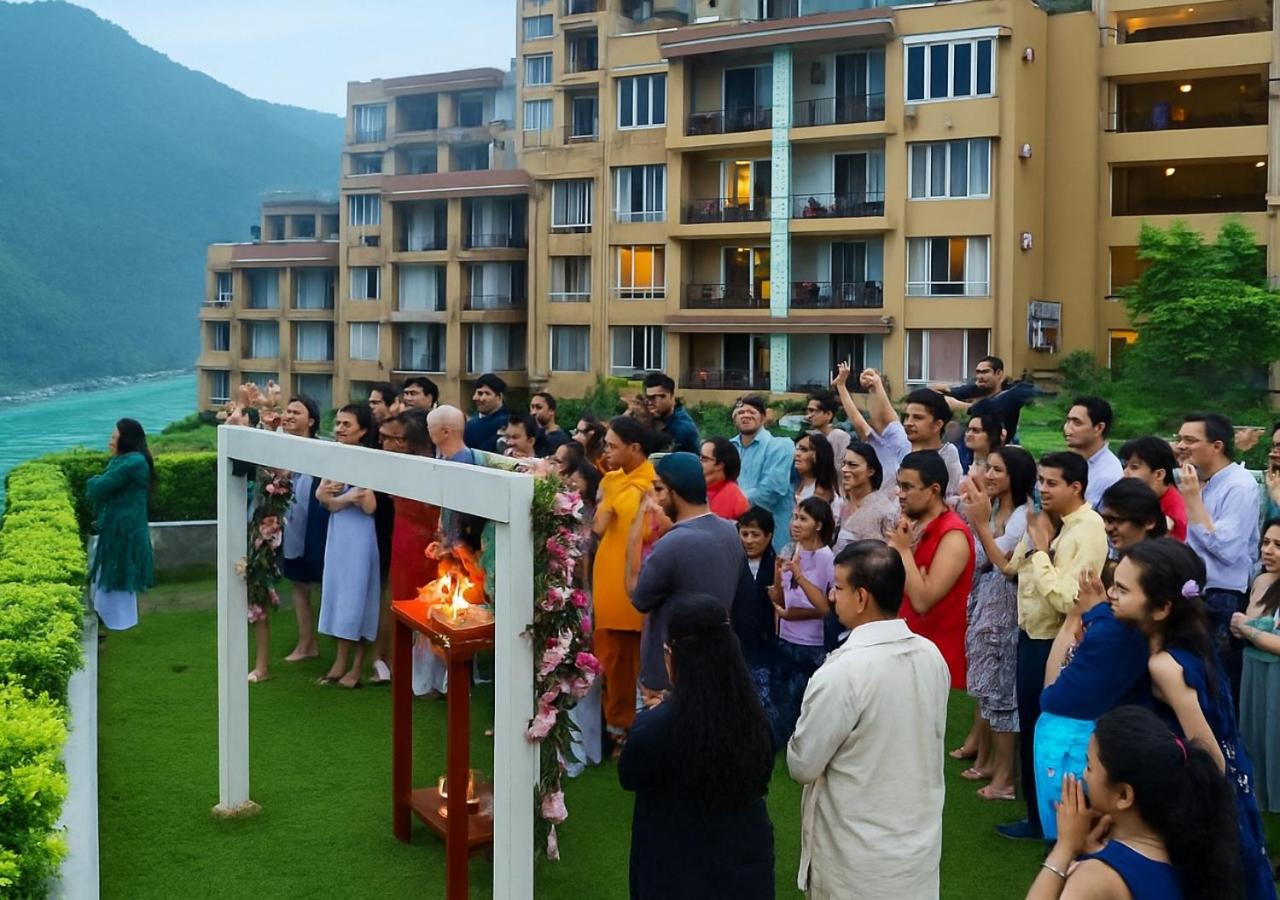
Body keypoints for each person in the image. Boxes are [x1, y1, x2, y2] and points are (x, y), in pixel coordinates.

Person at [1108, 538, 1273, 899]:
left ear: (1162, 608)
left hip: (1203, 801)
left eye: (1122, 588)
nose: (1111, 594)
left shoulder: (1165, 665)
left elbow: (1211, 756)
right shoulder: (1196, 643)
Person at [787, 541, 950, 900]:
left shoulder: (842, 672)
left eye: (838, 587)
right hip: (916, 857)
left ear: (861, 598)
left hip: (856, 866)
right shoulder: (932, 656)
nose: (832, 596)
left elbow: (802, 764)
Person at [618, 595, 775, 900]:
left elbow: (629, 775)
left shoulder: (656, 726)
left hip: (675, 870)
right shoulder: (756, 716)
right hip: (745, 866)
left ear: (674, 655)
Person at [998, 451, 1109, 841]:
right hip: (1032, 636)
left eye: (1051, 483)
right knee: (1032, 726)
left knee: (1049, 731)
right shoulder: (1053, 521)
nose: (1042, 489)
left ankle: (1052, 820)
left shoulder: (1088, 529)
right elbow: (1012, 568)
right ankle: (1038, 816)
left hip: (1057, 643)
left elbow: (1068, 599)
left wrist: (1043, 551)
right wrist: (1032, 538)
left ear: (1075, 487)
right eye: (1040, 481)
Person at [1026, 705, 1242, 900]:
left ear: (1123, 796)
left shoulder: (1096, 878)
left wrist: (1064, 849)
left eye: (1089, 766)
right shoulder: (1190, 856)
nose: (1083, 776)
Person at [627, 453, 750, 698]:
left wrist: (634, 534)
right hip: (716, 668)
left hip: (669, 679)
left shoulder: (673, 543)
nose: (656, 499)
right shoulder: (731, 532)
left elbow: (637, 597)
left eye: (659, 489)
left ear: (674, 492)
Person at [955, 445, 1035, 800]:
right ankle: (987, 761)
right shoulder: (992, 509)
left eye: (998, 470)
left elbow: (1001, 561)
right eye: (988, 468)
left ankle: (1005, 779)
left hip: (1006, 612)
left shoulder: (1024, 516)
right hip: (984, 604)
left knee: (1002, 694)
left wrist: (979, 522)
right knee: (987, 689)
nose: (988, 475)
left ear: (1015, 477)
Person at [1176, 411, 1260, 702]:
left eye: (1190, 440)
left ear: (1217, 446)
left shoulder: (1239, 485)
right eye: (1179, 439)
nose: (1181, 446)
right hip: (1197, 592)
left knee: (1215, 683)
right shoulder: (1206, 481)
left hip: (1222, 597)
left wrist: (1191, 500)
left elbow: (1227, 549)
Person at [593, 416, 659, 755]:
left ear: (634, 448)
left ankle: (636, 729)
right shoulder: (611, 479)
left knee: (635, 659)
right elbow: (598, 526)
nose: (606, 451)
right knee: (611, 656)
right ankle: (615, 726)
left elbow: (650, 531)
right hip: (607, 577)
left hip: (636, 580)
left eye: (612, 446)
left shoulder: (653, 484)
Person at [888, 450, 975, 690]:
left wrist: (903, 552)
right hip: (908, 652)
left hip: (940, 662)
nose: (900, 494)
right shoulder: (911, 527)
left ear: (933, 490)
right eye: (899, 486)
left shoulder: (953, 534)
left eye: (908, 487)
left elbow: (923, 601)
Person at [316, 405, 382, 689]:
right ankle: (340, 660)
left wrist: (346, 496)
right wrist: (341, 497)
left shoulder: (369, 458)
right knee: (337, 593)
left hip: (361, 537)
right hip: (338, 534)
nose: (340, 428)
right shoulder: (333, 454)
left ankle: (355, 667)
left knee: (358, 596)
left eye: (347, 424)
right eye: (338, 423)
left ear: (363, 430)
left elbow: (369, 506)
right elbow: (327, 502)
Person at [377, 410, 440, 688]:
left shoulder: (433, 466)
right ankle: (404, 670)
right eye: (386, 438)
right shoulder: (396, 464)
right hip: (402, 540)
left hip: (427, 544)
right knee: (401, 601)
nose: (389, 444)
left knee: (428, 604)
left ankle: (429, 678)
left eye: (398, 439)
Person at [767, 496, 837, 741]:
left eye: (803, 519)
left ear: (818, 525)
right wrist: (777, 579)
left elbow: (825, 608)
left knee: (801, 705)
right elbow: (782, 599)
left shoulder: (827, 558)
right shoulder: (790, 550)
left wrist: (799, 576)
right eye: (795, 517)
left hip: (811, 645)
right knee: (781, 700)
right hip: (784, 638)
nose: (795, 523)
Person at [87, 418, 156, 633]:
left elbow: (99, 487)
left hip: (125, 529)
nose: (110, 442)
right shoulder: (125, 461)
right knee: (112, 573)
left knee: (119, 574)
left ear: (126, 440)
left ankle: (118, 620)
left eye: (114, 437)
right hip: (119, 526)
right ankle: (112, 618)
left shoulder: (133, 462)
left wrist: (94, 480)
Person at [1233, 519, 1280, 813]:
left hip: (1275, 678)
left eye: (1278, 545)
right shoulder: (1261, 581)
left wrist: (1248, 628)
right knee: (1254, 743)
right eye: (1266, 542)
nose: (1268, 550)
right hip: (1253, 674)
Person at [279, 396, 330, 666]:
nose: (288, 416)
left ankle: (322, 642)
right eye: (287, 411)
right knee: (298, 586)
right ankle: (306, 644)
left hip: (317, 531)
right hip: (292, 530)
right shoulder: (281, 447)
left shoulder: (322, 451)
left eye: (295, 412)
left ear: (311, 421)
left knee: (321, 586)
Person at [861, 369, 964, 498]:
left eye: (918, 417)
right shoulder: (905, 446)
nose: (908, 423)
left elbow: (950, 497)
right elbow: (886, 414)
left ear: (938, 425)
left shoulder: (947, 454)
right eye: (907, 417)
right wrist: (876, 384)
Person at [734, 506, 781, 743]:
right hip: (736, 641)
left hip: (766, 642)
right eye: (744, 534)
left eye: (755, 534)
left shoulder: (777, 566)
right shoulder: (732, 562)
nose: (749, 541)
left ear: (769, 536)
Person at [731, 395, 795, 553]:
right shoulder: (727, 448)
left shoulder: (781, 446)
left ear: (763, 418)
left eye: (751, 412)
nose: (745, 415)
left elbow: (770, 492)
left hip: (773, 537)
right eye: (741, 412)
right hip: (735, 535)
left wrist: (730, 502)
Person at [932, 356, 1036, 446]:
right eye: (978, 372)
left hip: (998, 445)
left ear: (999, 373)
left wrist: (960, 406)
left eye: (985, 372)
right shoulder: (976, 389)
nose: (979, 376)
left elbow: (989, 407)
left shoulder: (1010, 395)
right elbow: (938, 391)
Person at [1117, 435, 1186, 541]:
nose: (1125, 474)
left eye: (1134, 467)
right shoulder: (1145, 499)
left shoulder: (1175, 513)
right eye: (1125, 466)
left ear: (1159, 474)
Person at [832, 441, 898, 551]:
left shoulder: (883, 510)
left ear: (871, 471)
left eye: (852, 465)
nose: (844, 469)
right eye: (843, 464)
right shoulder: (843, 504)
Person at [1063, 396, 1122, 509]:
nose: (1067, 428)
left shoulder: (1109, 476)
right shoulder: (1066, 461)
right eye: (1068, 421)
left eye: (1077, 422)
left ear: (1099, 428)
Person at [1100, 479, 1168, 556]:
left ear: (1149, 522)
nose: (1108, 528)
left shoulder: (1165, 561)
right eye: (1105, 520)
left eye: (1114, 520)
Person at [642, 371, 700, 454]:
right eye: (648, 398)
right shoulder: (653, 418)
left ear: (672, 396)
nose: (650, 402)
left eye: (655, 397)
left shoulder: (682, 427)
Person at [700, 437, 749, 521]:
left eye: (704, 459)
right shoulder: (695, 490)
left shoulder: (736, 500)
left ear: (720, 465)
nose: (699, 462)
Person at [792, 432, 839, 510]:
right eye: (797, 449)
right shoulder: (796, 483)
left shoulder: (821, 492)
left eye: (804, 450)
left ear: (817, 455)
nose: (797, 454)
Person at [463, 373, 509, 454]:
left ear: (499, 397)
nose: (481, 399)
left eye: (487, 393)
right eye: (479, 393)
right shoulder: (469, 424)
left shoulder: (509, 422)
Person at [804, 391, 850, 463]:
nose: (808, 416)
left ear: (828, 414)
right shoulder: (810, 435)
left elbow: (841, 465)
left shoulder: (839, 437)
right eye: (808, 411)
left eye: (812, 410)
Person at [529, 391, 571, 456]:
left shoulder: (560, 438)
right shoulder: (530, 433)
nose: (533, 412)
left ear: (551, 411)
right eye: (532, 407)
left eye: (539, 407)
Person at [963, 411, 1004, 475]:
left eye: (976, 431)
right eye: (968, 430)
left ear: (991, 434)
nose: (969, 434)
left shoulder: (1001, 465)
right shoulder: (963, 459)